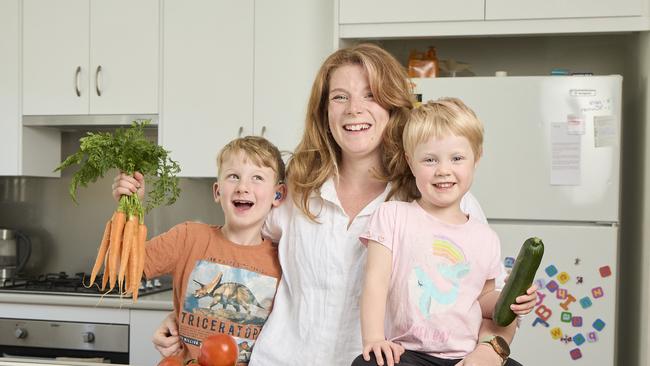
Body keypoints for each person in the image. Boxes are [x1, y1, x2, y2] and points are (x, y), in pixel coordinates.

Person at [133, 43, 537, 365]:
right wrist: (190, 317)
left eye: (370, 96)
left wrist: (493, 351)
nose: (354, 110)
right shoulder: (294, 188)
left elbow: (487, 302)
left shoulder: (438, 199)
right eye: (339, 97)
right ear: (324, 111)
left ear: (394, 106)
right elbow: (240, 255)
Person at [352, 98, 525, 366]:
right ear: (411, 162)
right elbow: (375, 282)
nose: (444, 170)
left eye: (457, 158)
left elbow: (484, 301)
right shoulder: (392, 216)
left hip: (465, 356)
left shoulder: (485, 238)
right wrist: (373, 338)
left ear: (476, 158)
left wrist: (512, 299)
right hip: (409, 353)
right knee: (368, 364)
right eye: (430, 159)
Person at [112, 136, 286, 364]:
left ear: (277, 195)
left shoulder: (282, 260)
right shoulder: (188, 237)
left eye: (257, 178)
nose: (243, 187)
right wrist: (128, 209)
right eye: (233, 176)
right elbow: (121, 270)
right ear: (217, 191)